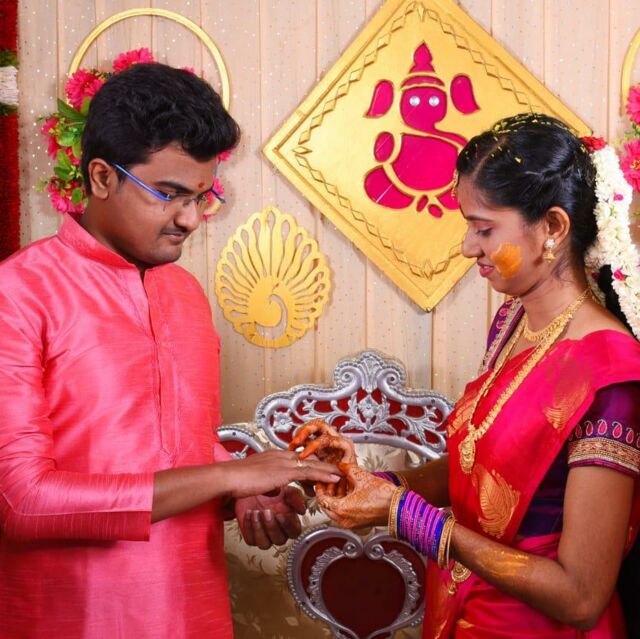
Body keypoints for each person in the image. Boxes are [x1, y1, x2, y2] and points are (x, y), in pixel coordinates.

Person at [0, 62, 340, 639]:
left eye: (202, 197)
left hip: (192, 610)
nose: (190, 219)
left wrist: (244, 495)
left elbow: (180, 450)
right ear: (102, 177)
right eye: (170, 195)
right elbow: (24, 503)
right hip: (73, 617)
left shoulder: (184, 293)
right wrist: (228, 478)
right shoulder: (19, 293)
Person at [291, 113, 640, 638]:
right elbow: (478, 464)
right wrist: (377, 486)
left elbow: (581, 596)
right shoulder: (513, 322)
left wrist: (405, 515)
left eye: (484, 228)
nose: (467, 247)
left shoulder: (610, 375)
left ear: (552, 227)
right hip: (462, 611)